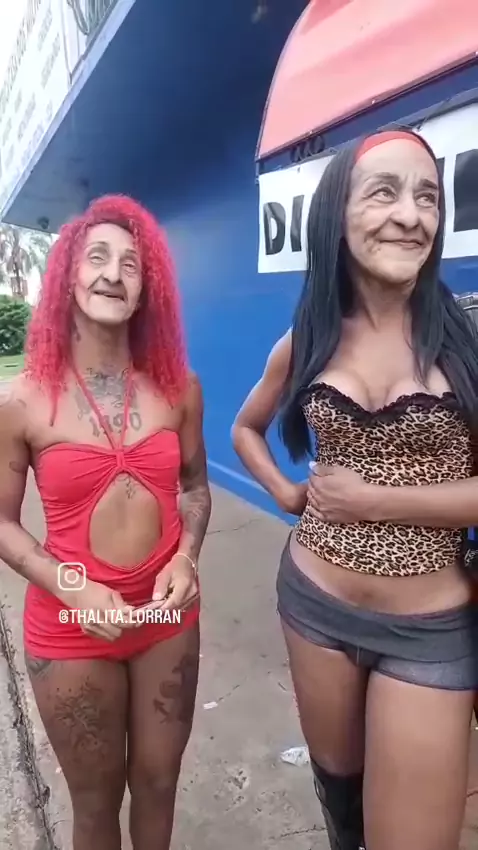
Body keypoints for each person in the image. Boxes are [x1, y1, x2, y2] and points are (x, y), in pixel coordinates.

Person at [232, 130, 478, 850]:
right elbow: (246, 428)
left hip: (431, 629)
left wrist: (373, 501)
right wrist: (285, 493)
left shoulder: (467, 333)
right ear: (336, 215)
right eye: (384, 192)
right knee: (343, 807)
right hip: (315, 605)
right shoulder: (308, 338)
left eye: (427, 197)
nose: (410, 214)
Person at [0, 195, 211, 850]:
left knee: (158, 784)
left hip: (166, 620)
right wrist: (72, 586)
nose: (113, 274)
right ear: (68, 274)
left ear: (148, 288)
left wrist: (187, 557)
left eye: (131, 264)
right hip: (70, 629)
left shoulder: (179, 388)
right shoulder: (23, 401)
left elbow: (196, 489)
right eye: (97, 257)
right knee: (95, 805)